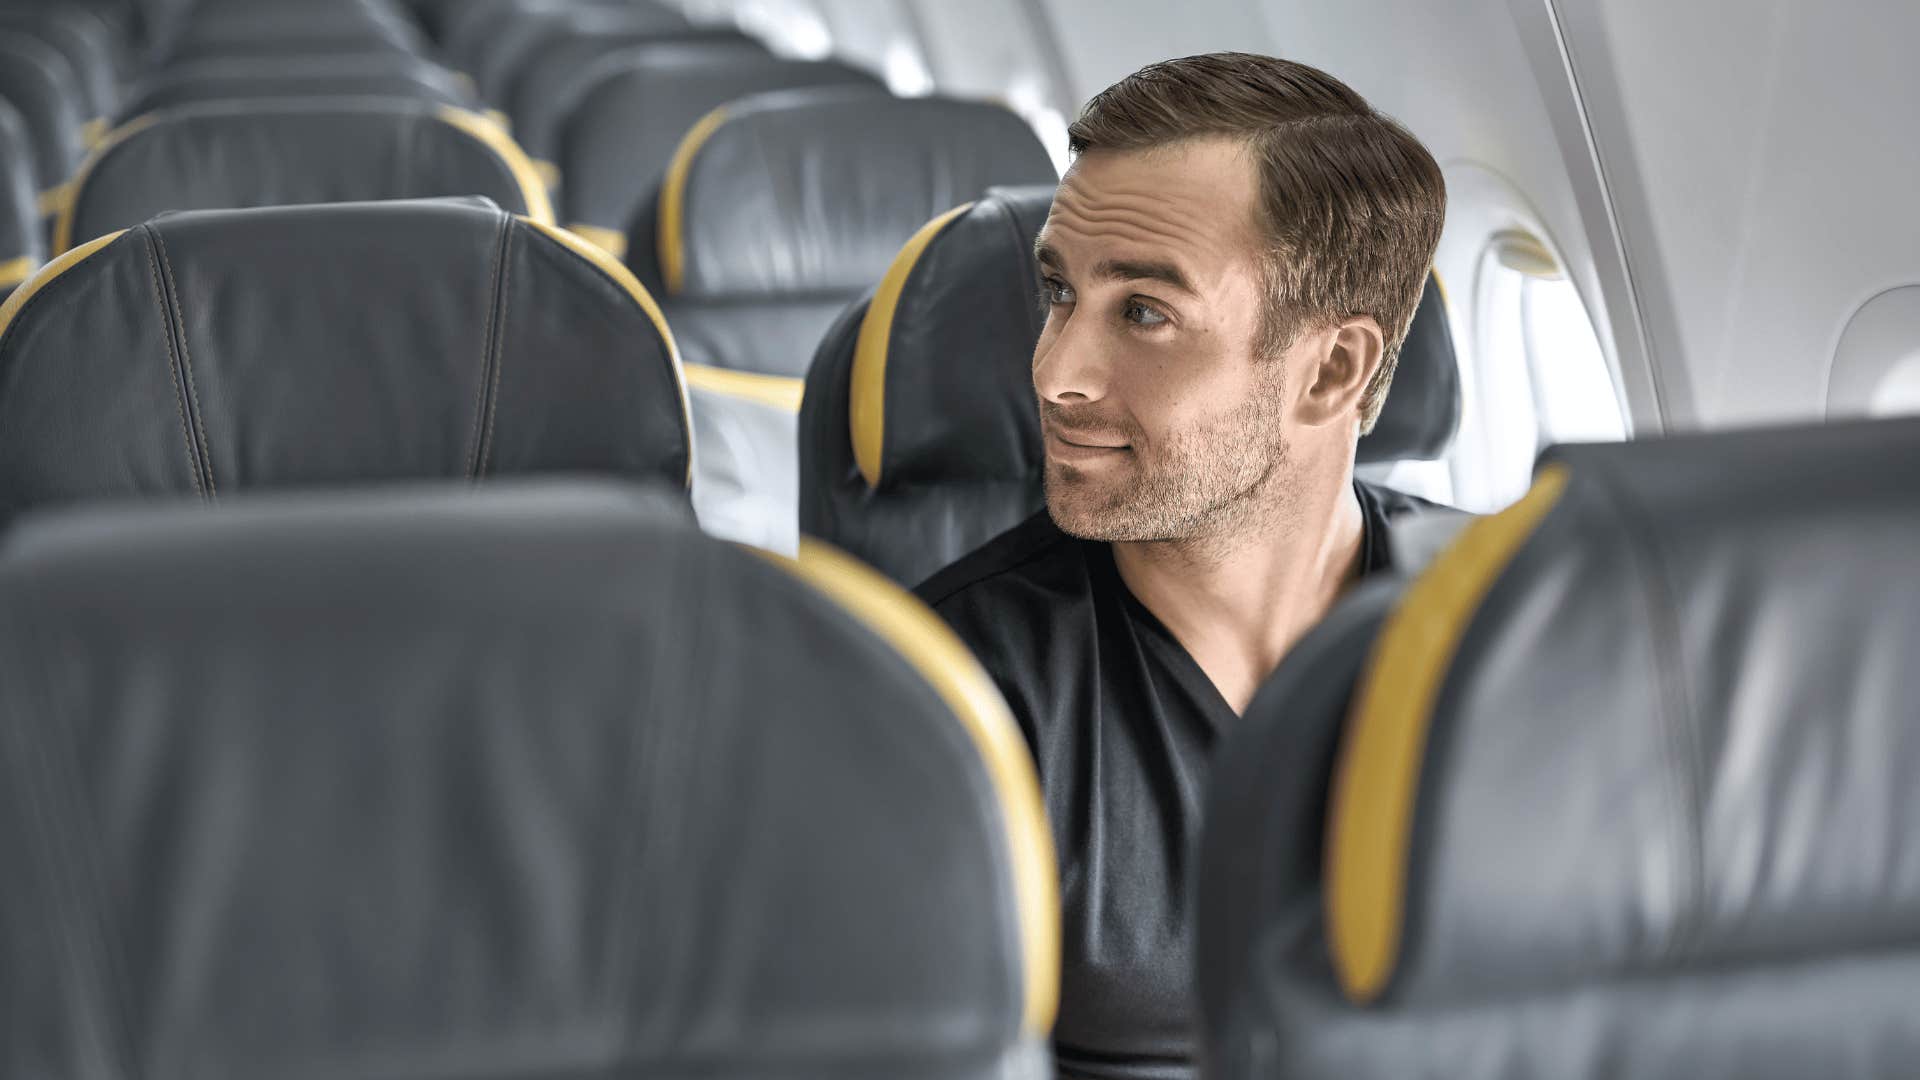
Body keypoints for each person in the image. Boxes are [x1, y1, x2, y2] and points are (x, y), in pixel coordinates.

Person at [915, 53, 1448, 1079]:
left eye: (1144, 314)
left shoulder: (1512, 637)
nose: (1053, 373)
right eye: (1059, 294)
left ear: (1330, 371)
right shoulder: (950, 694)